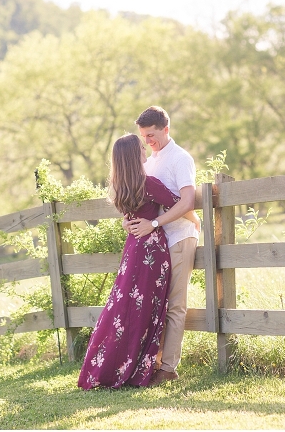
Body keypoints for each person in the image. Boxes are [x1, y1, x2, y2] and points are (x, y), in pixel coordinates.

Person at [78, 134, 200, 390]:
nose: (145, 151)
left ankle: (113, 364)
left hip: (132, 250)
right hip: (151, 251)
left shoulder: (119, 187)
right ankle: (142, 365)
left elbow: (128, 217)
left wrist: (128, 222)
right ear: (134, 156)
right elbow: (180, 204)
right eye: (141, 148)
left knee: (122, 306)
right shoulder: (148, 184)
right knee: (149, 309)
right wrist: (196, 221)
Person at [125, 106, 199, 386]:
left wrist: (154, 224)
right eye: (144, 136)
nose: (147, 141)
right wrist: (128, 221)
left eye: (152, 135)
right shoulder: (149, 162)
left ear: (166, 129)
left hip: (179, 237)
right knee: (155, 305)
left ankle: (168, 368)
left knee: (175, 305)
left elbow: (187, 202)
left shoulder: (180, 159)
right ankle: (151, 364)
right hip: (155, 246)